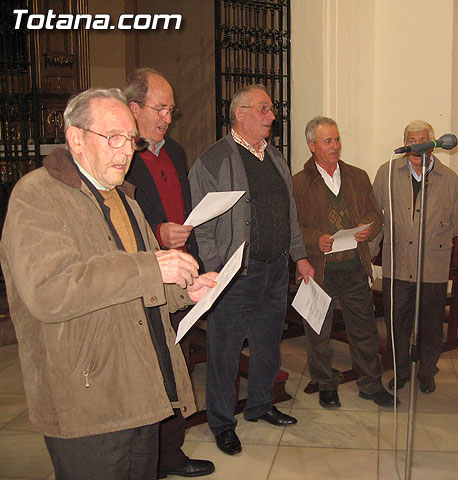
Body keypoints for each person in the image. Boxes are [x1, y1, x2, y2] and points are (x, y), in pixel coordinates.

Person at [0, 88, 218, 479]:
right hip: (87, 395)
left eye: (131, 140)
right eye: (112, 138)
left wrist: (186, 290)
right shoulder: (37, 196)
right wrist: (152, 267)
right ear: (76, 138)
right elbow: (50, 291)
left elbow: (144, 284)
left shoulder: (126, 201)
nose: (126, 150)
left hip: (140, 387)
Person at [189, 84, 314, 456]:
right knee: (225, 351)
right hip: (235, 275)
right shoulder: (212, 161)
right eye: (263, 109)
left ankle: (260, 405)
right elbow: (202, 225)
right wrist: (216, 271)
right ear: (240, 113)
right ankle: (222, 423)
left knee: (266, 345)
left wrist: (299, 255)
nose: (271, 116)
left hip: (275, 268)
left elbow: (289, 211)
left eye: (271, 109)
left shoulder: (275, 157)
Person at [124, 68, 214, 478]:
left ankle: (170, 453)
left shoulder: (175, 151)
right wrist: (159, 233)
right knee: (154, 367)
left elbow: (186, 207)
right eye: (159, 108)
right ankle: (153, 457)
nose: (166, 117)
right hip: (145, 276)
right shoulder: (122, 158)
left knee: (178, 363)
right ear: (133, 108)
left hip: (181, 273)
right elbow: (123, 223)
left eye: (170, 109)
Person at [292, 116, 395, 409]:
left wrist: (367, 228)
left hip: (352, 266)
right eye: (328, 141)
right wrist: (315, 240)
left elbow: (376, 215)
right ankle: (325, 383)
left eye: (337, 139)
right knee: (318, 330)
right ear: (312, 146)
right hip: (319, 269)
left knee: (364, 328)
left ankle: (370, 383)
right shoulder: (299, 183)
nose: (335, 146)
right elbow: (291, 227)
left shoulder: (357, 176)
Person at [372, 120, 458, 394]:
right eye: (412, 140)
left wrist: (435, 234)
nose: (417, 145)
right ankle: (400, 370)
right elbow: (375, 214)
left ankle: (427, 371)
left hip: (432, 265)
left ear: (433, 143)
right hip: (397, 262)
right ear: (405, 144)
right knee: (396, 322)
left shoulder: (449, 179)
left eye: (423, 139)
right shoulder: (386, 173)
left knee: (431, 322)